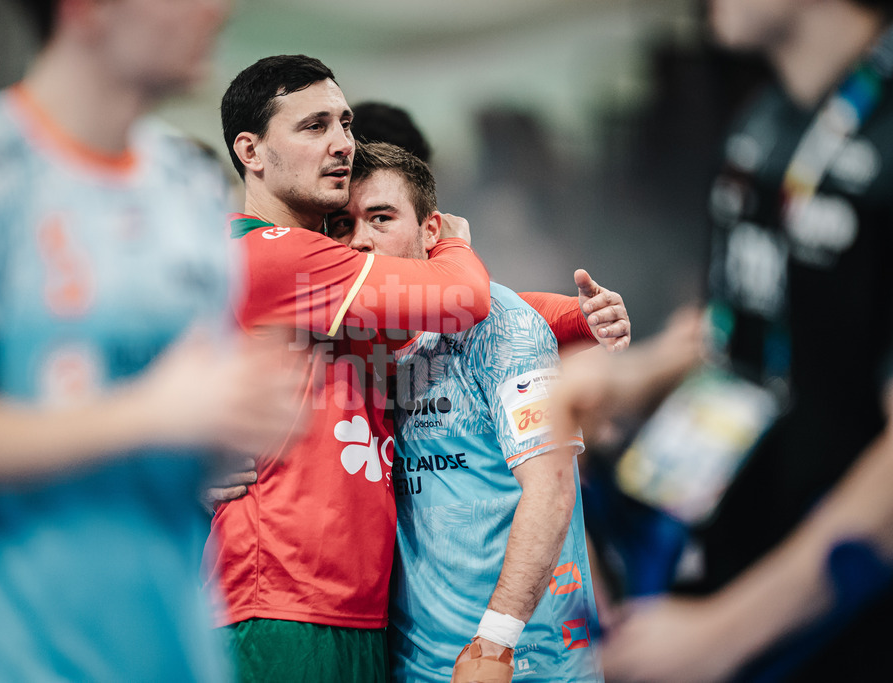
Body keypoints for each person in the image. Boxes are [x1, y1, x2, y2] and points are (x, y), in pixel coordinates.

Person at [0, 0, 304, 679]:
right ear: (89, 9)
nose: (220, 9)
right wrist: (149, 416)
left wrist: (227, 423)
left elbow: (176, 418)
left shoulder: (184, 188)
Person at [207, 54, 629, 682]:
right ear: (251, 150)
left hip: (366, 618)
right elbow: (462, 298)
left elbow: (477, 313)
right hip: (282, 604)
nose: (340, 143)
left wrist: (574, 317)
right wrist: (453, 241)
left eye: (344, 124)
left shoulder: (331, 283)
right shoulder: (270, 254)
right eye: (314, 126)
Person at [597, 0, 893, 680]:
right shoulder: (766, 120)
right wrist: (628, 379)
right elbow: (743, 330)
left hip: (843, 632)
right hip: (738, 577)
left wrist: (724, 632)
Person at [327, 141, 604, 682]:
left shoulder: (501, 324)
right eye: (340, 224)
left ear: (433, 232)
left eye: (381, 218)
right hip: (413, 667)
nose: (359, 239)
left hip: (524, 664)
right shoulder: (342, 341)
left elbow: (551, 490)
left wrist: (494, 644)